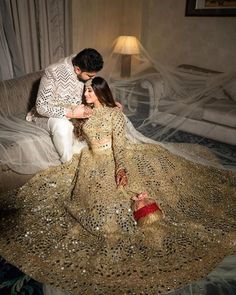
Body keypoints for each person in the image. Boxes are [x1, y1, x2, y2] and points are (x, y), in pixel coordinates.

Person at [0, 77, 235, 295]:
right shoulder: (83, 112)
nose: (85, 94)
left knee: (142, 184)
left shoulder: (115, 114)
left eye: (89, 90)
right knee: (91, 201)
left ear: (100, 92)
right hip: (91, 161)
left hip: (115, 157)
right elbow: (51, 105)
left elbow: (120, 145)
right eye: (84, 90)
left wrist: (120, 167)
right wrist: (50, 112)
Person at [26, 48, 104, 163]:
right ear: (77, 69)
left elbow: (92, 92)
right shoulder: (53, 72)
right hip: (46, 115)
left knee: (104, 114)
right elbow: (41, 107)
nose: (91, 79)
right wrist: (71, 113)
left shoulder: (83, 63)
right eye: (89, 76)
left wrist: (106, 102)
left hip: (75, 111)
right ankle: (69, 165)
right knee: (63, 126)